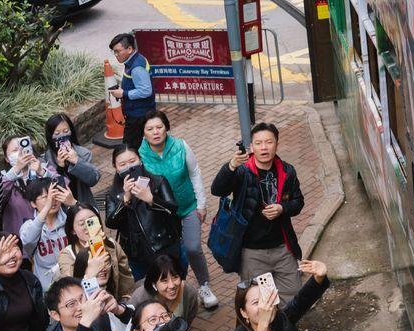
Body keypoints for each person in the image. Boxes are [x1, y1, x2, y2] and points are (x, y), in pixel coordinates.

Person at [208, 124, 306, 299]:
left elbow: (298, 202)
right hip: (252, 253)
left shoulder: (287, 170)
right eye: (259, 143)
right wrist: (231, 166)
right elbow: (217, 190)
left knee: (293, 295)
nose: (264, 147)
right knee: (262, 301)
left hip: (283, 248)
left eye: (269, 142)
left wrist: (282, 208)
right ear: (251, 147)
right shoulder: (242, 171)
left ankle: (286, 327)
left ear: (277, 144)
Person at [137, 113, 216, 307]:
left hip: (187, 206)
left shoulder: (181, 146)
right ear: (143, 133)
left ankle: (204, 285)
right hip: (161, 212)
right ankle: (176, 291)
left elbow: (195, 173)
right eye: (150, 129)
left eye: (159, 127)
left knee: (192, 247)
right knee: (170, 254)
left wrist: (201, 204)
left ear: (166, 128)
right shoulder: (140, 156)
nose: (156, 132)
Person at [104, 151, 182, 282]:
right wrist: (126, 199)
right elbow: (111, 223)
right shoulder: (112, 193)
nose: (129, 167)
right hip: (134, 254)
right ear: (116, 168)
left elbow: (172, 209)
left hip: (162, 248)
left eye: (132, 161)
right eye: (122, 164)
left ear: (140, 160)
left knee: (170, 284)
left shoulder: (158, 181)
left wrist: (151, 199)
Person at [107, 34, 155, 151]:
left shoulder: (136, 67)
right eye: (114, 52)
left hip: (138, 115)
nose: (116, 55)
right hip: (140, 112)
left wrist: (124, 93)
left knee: (129, 149)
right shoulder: (135, 60)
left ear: (129, 49)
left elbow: (146, 90)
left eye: (118, 51)